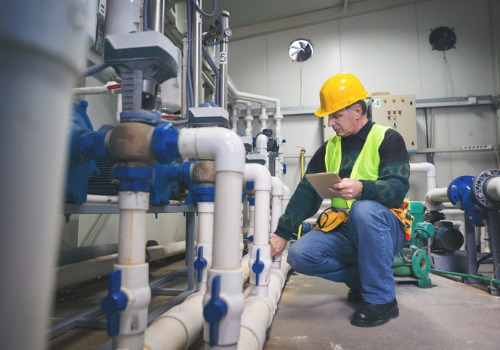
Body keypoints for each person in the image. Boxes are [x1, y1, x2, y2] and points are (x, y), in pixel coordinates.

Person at [270, 72, 410, 327]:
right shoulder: (329, 148)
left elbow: (397, 189)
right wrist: (282, 232)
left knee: (364, 210)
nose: (330, 123)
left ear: (357, 110)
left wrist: (362, 188)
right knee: (300, 255)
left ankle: (382, 300)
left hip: (385, 227)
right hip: (344, 229)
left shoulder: (387, 139)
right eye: (328, 117)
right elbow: (306, 192)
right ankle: (363, 279)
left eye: (335, 115)